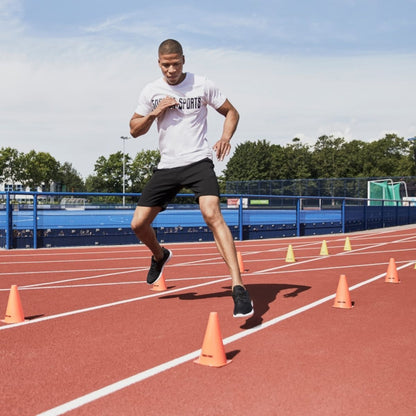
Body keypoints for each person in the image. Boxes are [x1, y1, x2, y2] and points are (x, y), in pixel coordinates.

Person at [129, 39, 253, 318]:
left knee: (212, 214)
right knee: (138, 224)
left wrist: (225, 137)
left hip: (198, 161)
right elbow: (134, 129)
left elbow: (232, 111)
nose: (171, 70)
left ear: (183, 60)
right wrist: (155, 112)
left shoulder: (202, 84)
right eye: (165, 65)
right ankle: (160, 255)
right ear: (158, 63)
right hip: (168, 166)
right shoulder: (151, 91)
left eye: (175, 63)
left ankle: (238, 287)